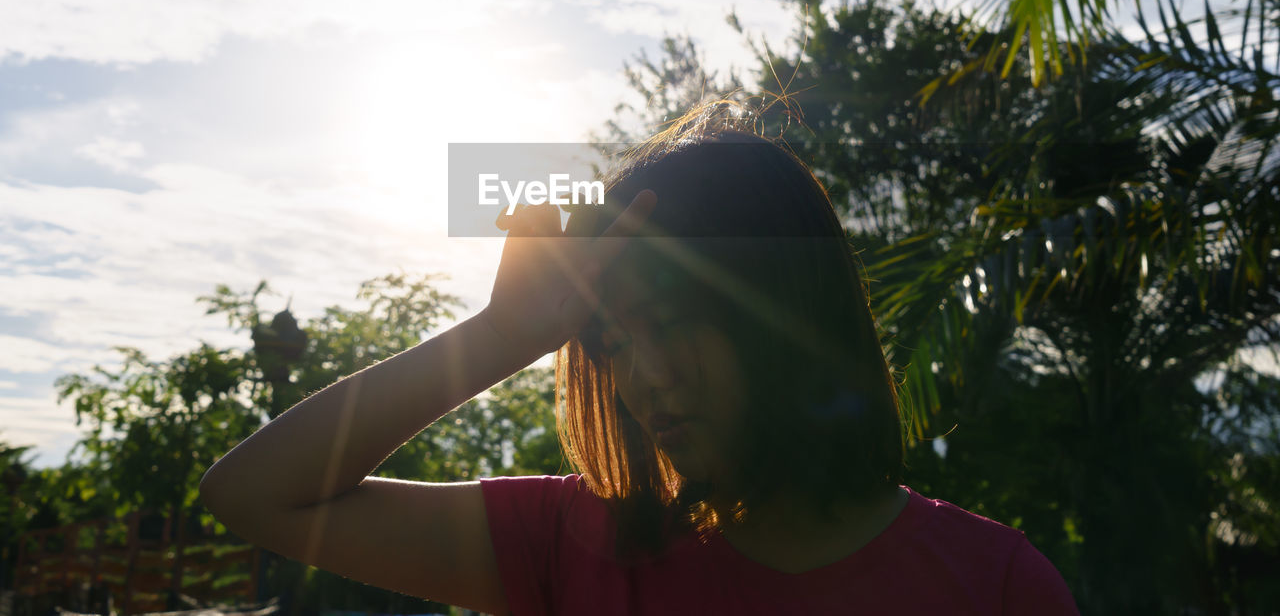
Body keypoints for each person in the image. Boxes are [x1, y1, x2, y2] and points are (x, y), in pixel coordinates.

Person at [200, 102, 1080, 615]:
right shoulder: (576, 544)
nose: (645, 375)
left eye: (677, 322)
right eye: (616, 340)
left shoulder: (992, 587)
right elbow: (254, 492)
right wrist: (500, 337)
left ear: (782, 311)